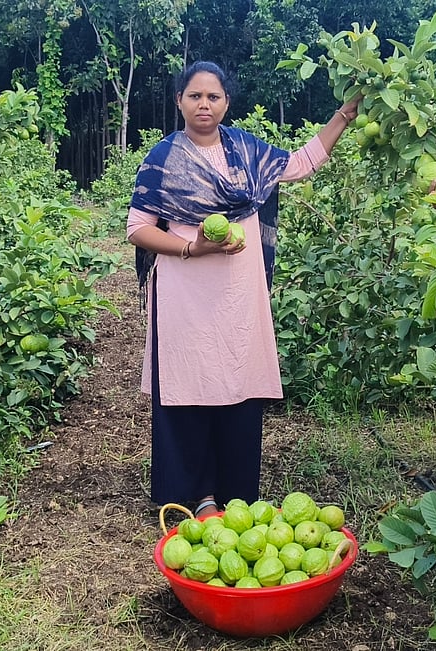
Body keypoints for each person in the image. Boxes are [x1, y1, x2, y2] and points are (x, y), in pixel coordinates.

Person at [126, 61, 359, 519]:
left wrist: (344, 116)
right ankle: (198, 494)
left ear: (226, 103)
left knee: (237, 382)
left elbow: (300, 163)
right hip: (185, 294)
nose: (204, 104)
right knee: (190, 385)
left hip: (239, 296)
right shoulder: (162, 159)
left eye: (213, 96)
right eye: (194, 96)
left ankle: (234, 494)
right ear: (179, 102)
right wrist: (194, 247)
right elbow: (137, 229)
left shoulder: (247, 152)